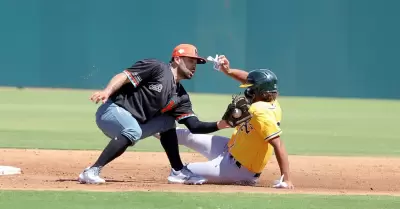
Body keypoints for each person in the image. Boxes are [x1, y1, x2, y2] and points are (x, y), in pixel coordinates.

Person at [78, 44, 230, 185]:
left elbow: (194, 126)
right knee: (133, 130)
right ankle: (91, 171)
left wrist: (224, 123)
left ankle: (178, 171)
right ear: (177, 59)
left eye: (196, 63)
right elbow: (124, 76)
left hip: (136, 125)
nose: (194, 66)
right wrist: (107, 91)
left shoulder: (181, 96)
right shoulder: (157, 67)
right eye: (191, 61)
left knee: (168, 121)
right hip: (112, 112)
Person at [156, 55, 294, 188]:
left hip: (239, 170)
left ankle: (243, 179)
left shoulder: (260, 111)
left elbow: (278, 144)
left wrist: (286, 179)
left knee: (183, 170)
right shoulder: (270, 98)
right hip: (230, 148)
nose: (247, 88)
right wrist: (228, 71)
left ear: (258, 90)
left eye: (250, 87)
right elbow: (247, 78)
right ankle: (153, 128)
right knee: (187, 135)